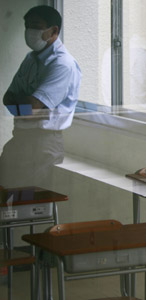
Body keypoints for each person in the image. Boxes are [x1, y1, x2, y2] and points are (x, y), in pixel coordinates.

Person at [0, 5, 81, 189]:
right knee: (6, 197)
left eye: (36, 26)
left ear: (53, 31)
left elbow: (31, 109)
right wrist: (28, 106)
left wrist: (26, 105)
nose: (30, 32)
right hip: (19, 138)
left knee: (30, 202)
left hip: (42, 142)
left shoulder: (62, 64)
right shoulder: (31, 59)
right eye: (28, 26)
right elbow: (7, 99)